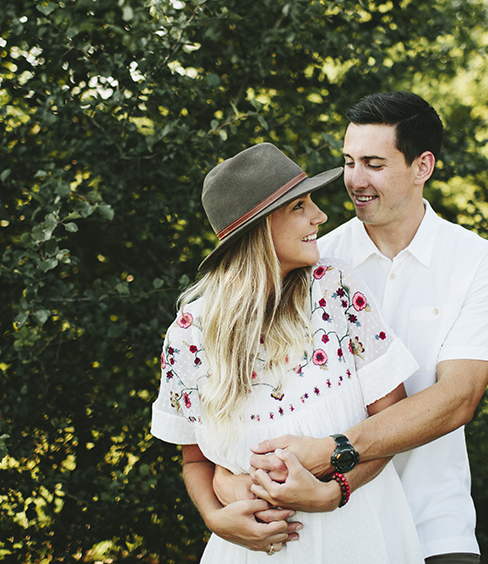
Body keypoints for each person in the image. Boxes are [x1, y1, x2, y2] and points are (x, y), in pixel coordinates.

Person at [245, 92, 488, 564]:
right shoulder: (313, 262)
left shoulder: (480, 263)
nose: (355, 180)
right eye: (348, 162)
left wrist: (334, 451)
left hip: (435, 526)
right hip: (326, 531)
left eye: (373, 163)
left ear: (422, 166)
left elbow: (457, 399)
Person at [150, 142, 425, 562]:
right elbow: (194, 459)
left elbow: (390, 425)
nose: (320, 215)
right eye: (300, 206)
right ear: (257, 229)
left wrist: (336, 490)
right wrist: (213, 516)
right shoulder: (189, 333)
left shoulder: (335, 291)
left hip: (360, 535)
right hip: (253, 551)